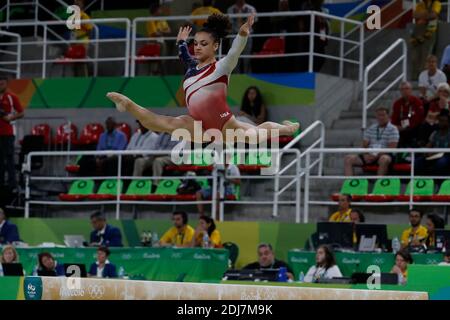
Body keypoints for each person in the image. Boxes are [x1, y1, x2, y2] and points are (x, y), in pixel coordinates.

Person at [106, 14, 299, 146]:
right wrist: (181, 42)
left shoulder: (222, 67)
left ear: (215, 46)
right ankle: (127, 104)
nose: (197, 47)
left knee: (257, 134)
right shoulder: (191, 68)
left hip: (223, 125)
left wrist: (242, 34)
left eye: (203, 44)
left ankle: (287, 129)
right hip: (197, 124)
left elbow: (234, 52)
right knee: (159, 123)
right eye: (195, 43)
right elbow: (184, 56)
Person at [344, 107, 399, 176]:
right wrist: (366, 154)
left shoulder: (393, 129)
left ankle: (379, 184)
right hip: (370, 154)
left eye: (383, 115)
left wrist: (376, 156)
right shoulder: (371, 128)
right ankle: (349, 184)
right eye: (379, 115)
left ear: (388, 116)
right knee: (348, 158)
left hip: (384, 154)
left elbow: (392, 147)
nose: (381, 117)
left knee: (384, 159)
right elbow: (365, 145)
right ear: (376, 116)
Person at [0, 76, 24, 190]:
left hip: (7, 133)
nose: (1, 85)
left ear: (6, 84)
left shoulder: (11, 97)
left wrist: (11, 118)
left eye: (2, 83)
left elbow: (21, 112)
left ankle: (12, 184)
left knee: (9, 158)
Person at [410, 1, 442, 78]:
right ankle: (415, 77)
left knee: (426, 55)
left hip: (429, 31)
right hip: (417, 32)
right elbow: (414, 15)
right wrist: (427, 14)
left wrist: (422, 16)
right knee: (415, 56)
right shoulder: (420, 4)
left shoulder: (436, 3)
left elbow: (434, 15)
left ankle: (424, 78)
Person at [415, 110, 450, 175]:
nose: (440, 123)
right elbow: (428, 146)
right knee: (418, 161)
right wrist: (427, 152)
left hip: (446, 155)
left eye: (443, 121)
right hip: (434, 155)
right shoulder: (435, 133)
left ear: (448, 122)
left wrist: (434, 152)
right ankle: (421, 181)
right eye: (439, 121)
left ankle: (438, 182)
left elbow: (447, 149)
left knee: (441, 163)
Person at [391, 81, 424, 148]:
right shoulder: (397, 103)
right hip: (400, 128)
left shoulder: (417, 102)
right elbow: (394, 119)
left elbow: (417, 119)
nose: (404, 91)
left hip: (413, 129)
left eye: (407, 88)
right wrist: (397, 126)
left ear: (411, 90)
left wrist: (404, 127)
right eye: (402, 89)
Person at [227, 0, 257, 73]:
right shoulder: (230, 9)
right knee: (234, 56)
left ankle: (247, 74)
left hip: (247, 35)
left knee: (247, 57)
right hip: (234, 35)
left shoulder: (251, 9)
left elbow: (254, 22)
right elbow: (229, 24)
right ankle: (236, 75)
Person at [145, 3, 171, 74]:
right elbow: (154, 34)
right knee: (155, 59)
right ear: (155, 10)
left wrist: (160, 31)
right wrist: (162, 31)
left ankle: (159, 70)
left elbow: (169, 30)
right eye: (160, 9)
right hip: (153, 42)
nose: (161, 10)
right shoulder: (150, 20)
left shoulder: (161, 19)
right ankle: (154, 71)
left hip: (162, 41)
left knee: (163, 58)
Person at [70, 0, 94, 77]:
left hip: (83, 42)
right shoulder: (73, 17)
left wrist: (87, 42)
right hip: (75, 42)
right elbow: (73, 31)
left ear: (82, 5)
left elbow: (90, 29)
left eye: (78, 3)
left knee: (82, 62)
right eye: (75, 3)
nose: (76, 4)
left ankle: (85, 79)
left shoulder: (84, 16)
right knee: (75, 63)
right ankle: (76, 79)